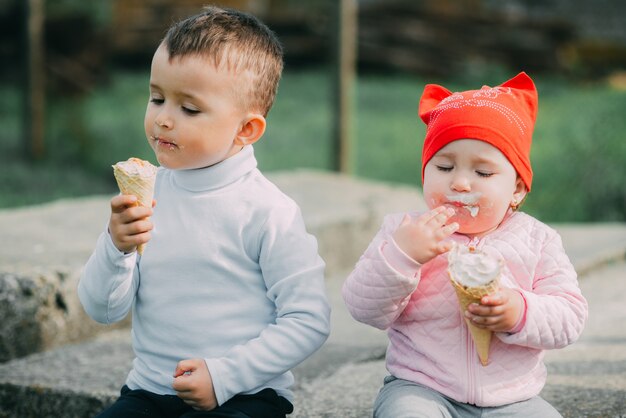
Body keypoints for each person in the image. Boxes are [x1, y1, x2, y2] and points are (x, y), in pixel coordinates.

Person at [78, 6, 330, 418]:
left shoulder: (268, 211)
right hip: (150, 391)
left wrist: (225, 376)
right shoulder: (147, 196)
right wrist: (116, 248)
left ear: (246, 130)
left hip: (245, 394)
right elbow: (102, 309)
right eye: (157, 97)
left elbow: (309, 319)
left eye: (189, 109)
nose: (163, 119)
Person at [342, 72, 587, 418]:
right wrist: (402, 257)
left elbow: (570, 318)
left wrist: (519, 312)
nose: (459, 182)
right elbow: (362, 308)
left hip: (513, 396)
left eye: (483, 174)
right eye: (444, 166)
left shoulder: (538, 240)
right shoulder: (405, 232)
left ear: (516, 188)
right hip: (421, 388)